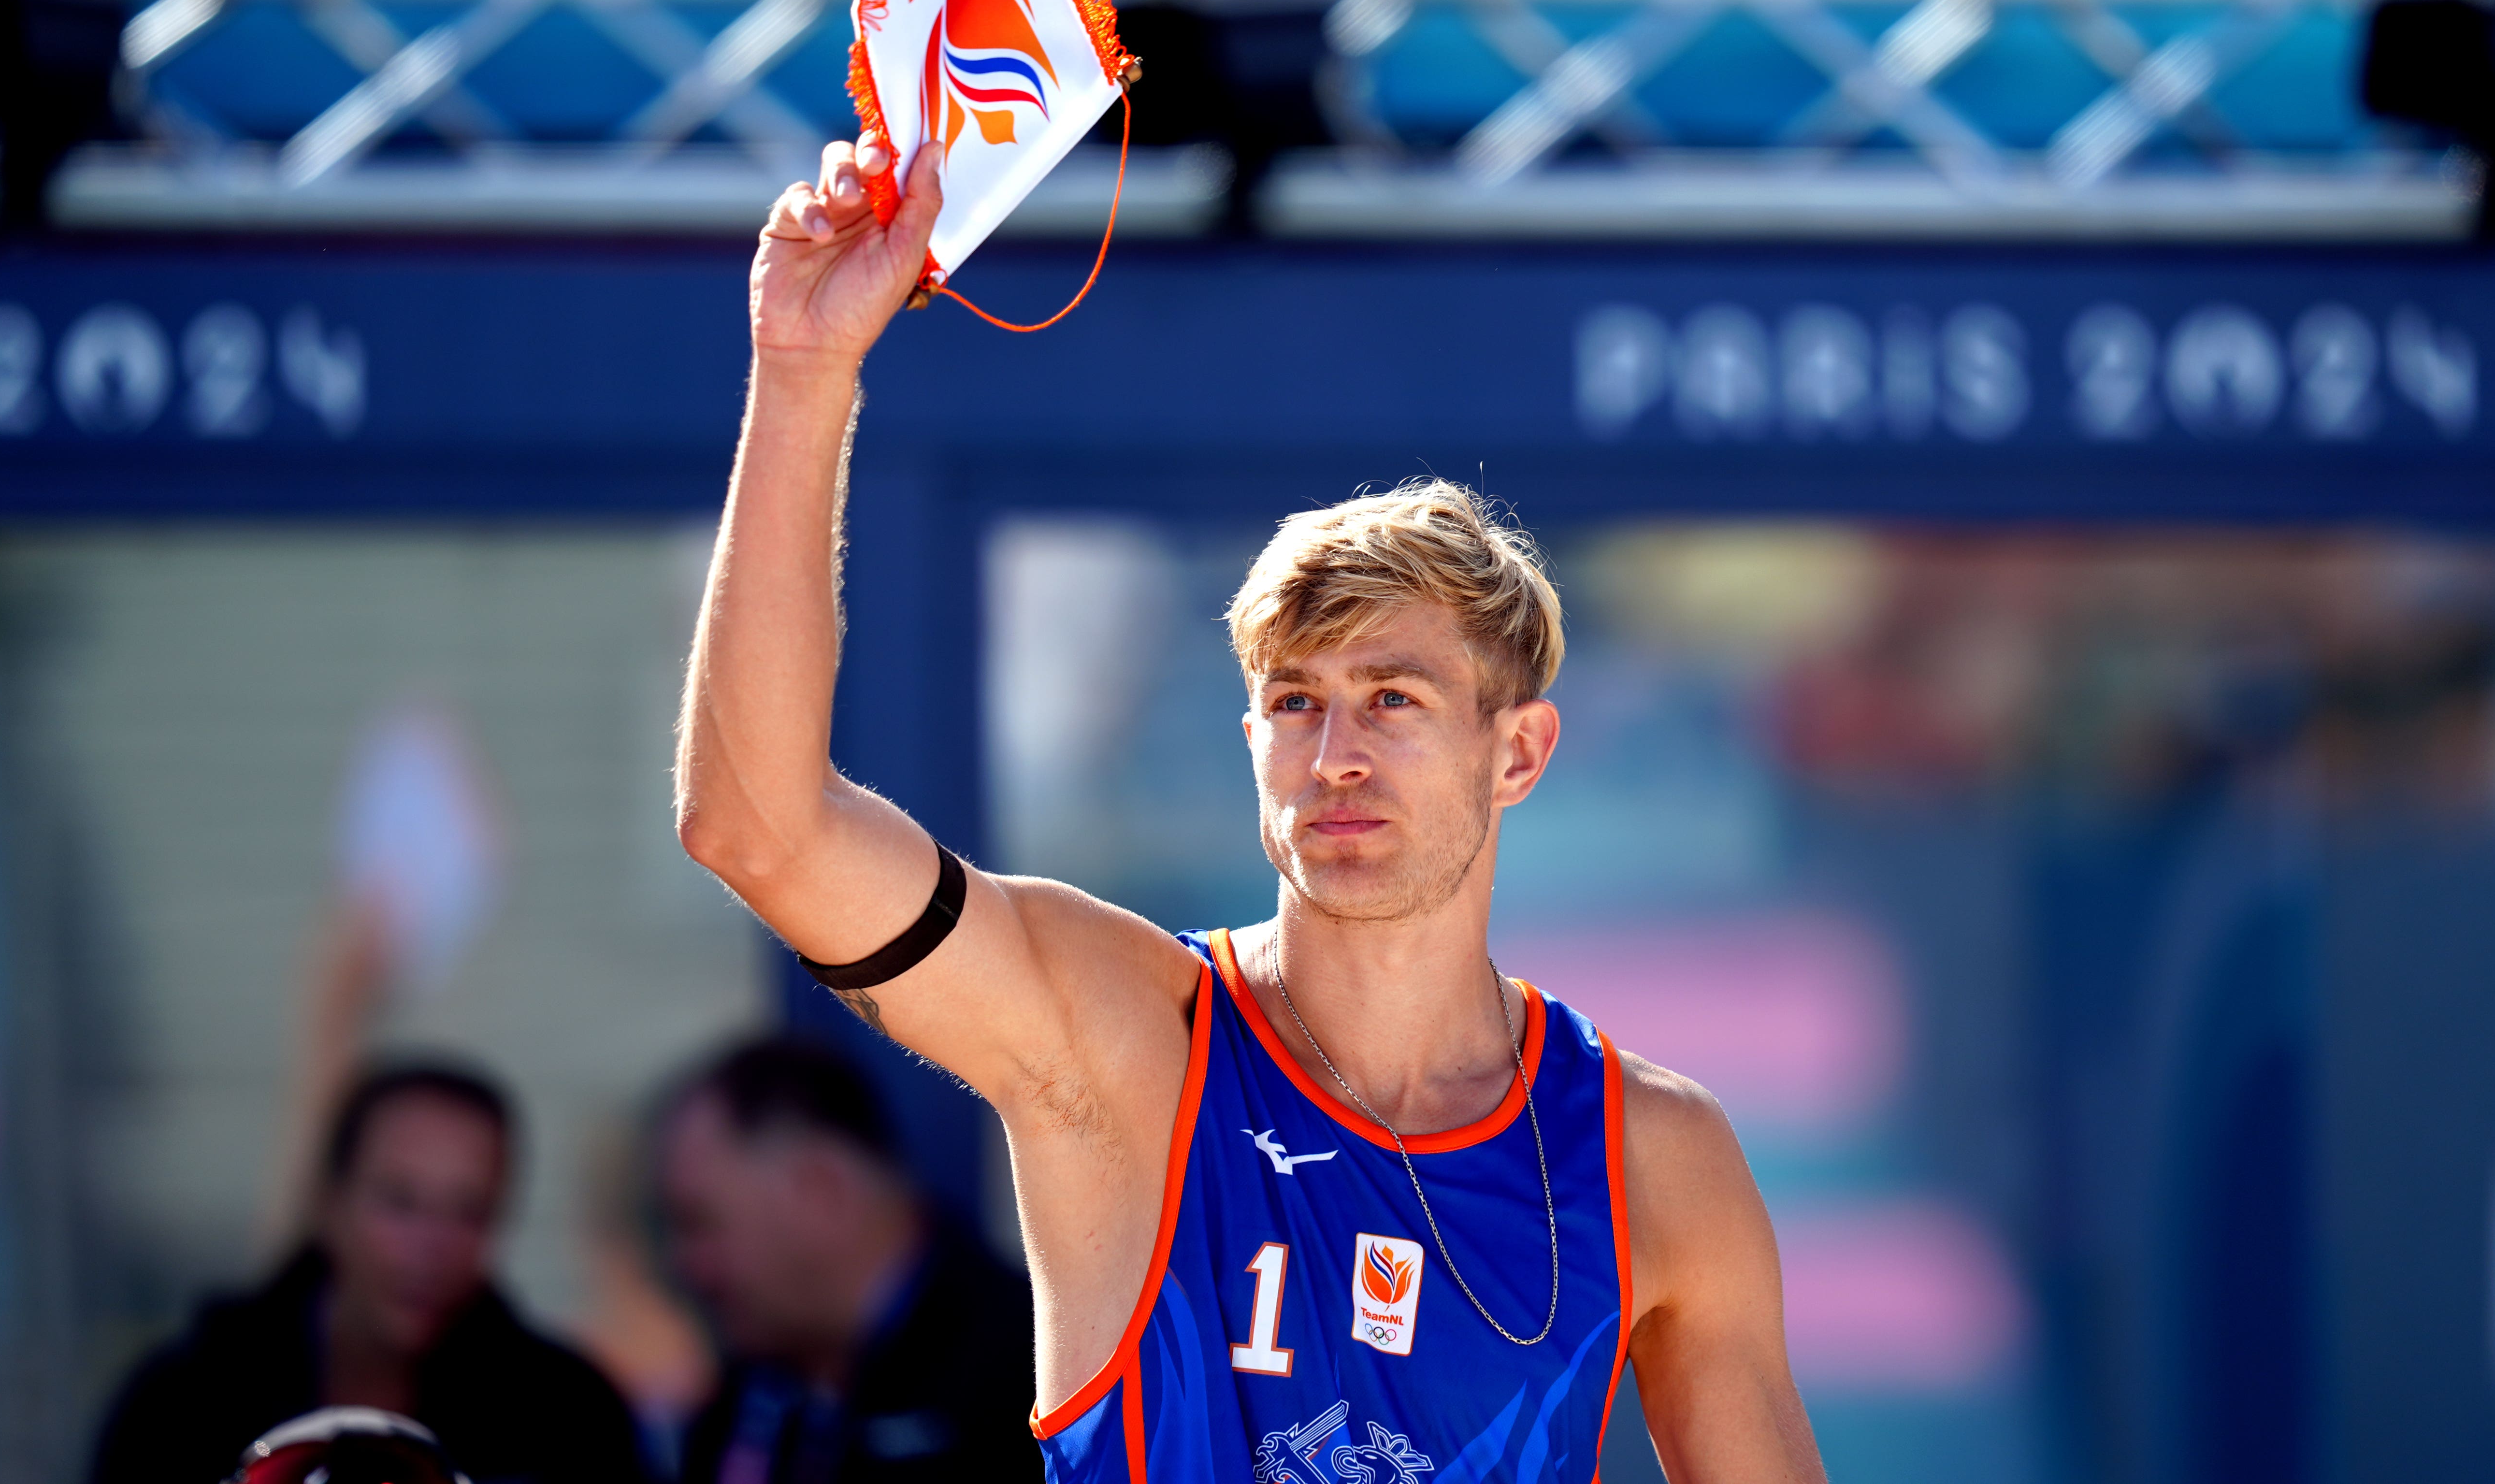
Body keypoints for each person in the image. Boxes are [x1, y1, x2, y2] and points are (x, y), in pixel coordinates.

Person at [672, 137, 1826, 1484]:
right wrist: (804, 373)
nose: (1334, 752)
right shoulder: (1130, 1038)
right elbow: (758, 828)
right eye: (1294, 703)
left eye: (1394, 698)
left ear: (1517, 754)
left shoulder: (1650, 1154)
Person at [89, 1062, 649, 1484]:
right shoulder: (182, 1407)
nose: (431, 1245)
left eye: (467, 1211)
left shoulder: (567, 1419)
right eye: (400, 1202)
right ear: (329, 1203)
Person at [656, 1036, 1039, 1484]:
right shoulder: (738, 1405)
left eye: (701, 1222)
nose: (687, 1264)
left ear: (821, 1189)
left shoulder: (1030, 1381)